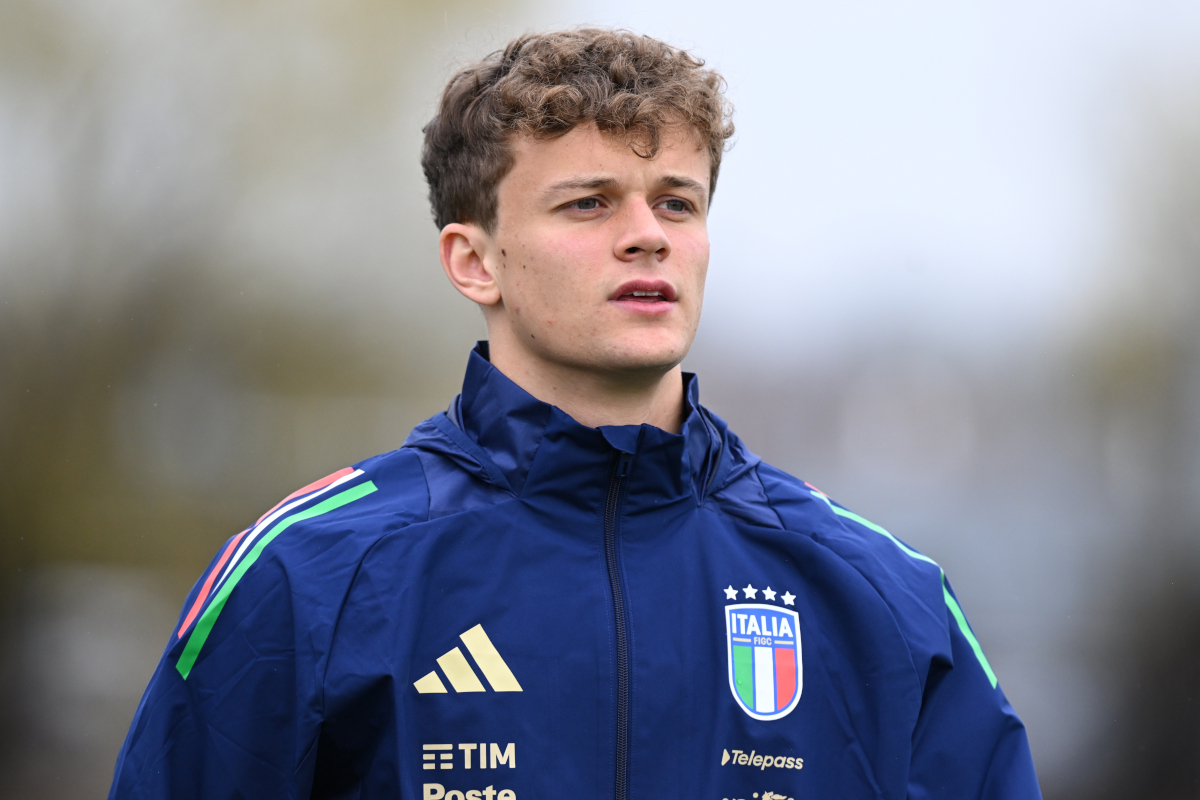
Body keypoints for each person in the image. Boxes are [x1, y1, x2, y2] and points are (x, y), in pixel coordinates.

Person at [110, 28, 1041, 799]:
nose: (647, 233)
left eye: (677, 201)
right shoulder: (311, 576)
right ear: (475, 260)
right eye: (589, 202)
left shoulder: (883, 598)